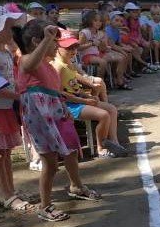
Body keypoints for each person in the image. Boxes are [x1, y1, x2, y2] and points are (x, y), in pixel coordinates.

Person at [13, 21, 102, 222]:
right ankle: (44, 206)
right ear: (38, 41)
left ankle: (76, 187)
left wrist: (66, 108)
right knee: (50, 164)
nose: (57, 46)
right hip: (41, 117)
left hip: (56, 113)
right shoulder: (27, 61)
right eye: (55, 42)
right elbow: (29, 64)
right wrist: (47, 38)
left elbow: (55, 93)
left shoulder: (49, 66)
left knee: (68, 152)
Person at [51, 30, 128, 159]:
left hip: (78, 100)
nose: (73, 51)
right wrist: (85, 101)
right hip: (69, 105)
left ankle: (114, 142)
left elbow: (74, 86)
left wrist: (87, 95)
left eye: (75, 47)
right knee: (103, 115)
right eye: (68, 48)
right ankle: (101, 148)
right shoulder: (57, 66)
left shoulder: (68, 62)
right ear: (57, 47)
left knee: (112, 109)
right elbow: (60, 94)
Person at [0, 6, 32, 212]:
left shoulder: (5, 50)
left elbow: (10, 77)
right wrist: (20, 96)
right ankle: (7, 195)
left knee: (5, 151)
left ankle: (12, 190)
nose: (12, 32)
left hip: (5, 107)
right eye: (8, 28)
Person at [78, 10, 130, 90]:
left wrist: (105, 46)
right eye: (95, 21)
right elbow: (79, 47)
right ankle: (100, 84)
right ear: (89, 20)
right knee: (103, 62)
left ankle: (119, 80)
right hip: (86, 55)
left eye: (100, 21)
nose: (98, 23)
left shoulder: (100, 33)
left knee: (121, 58)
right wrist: (91, 43)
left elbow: (102, 48)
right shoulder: (85, 32)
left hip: (98, 54)